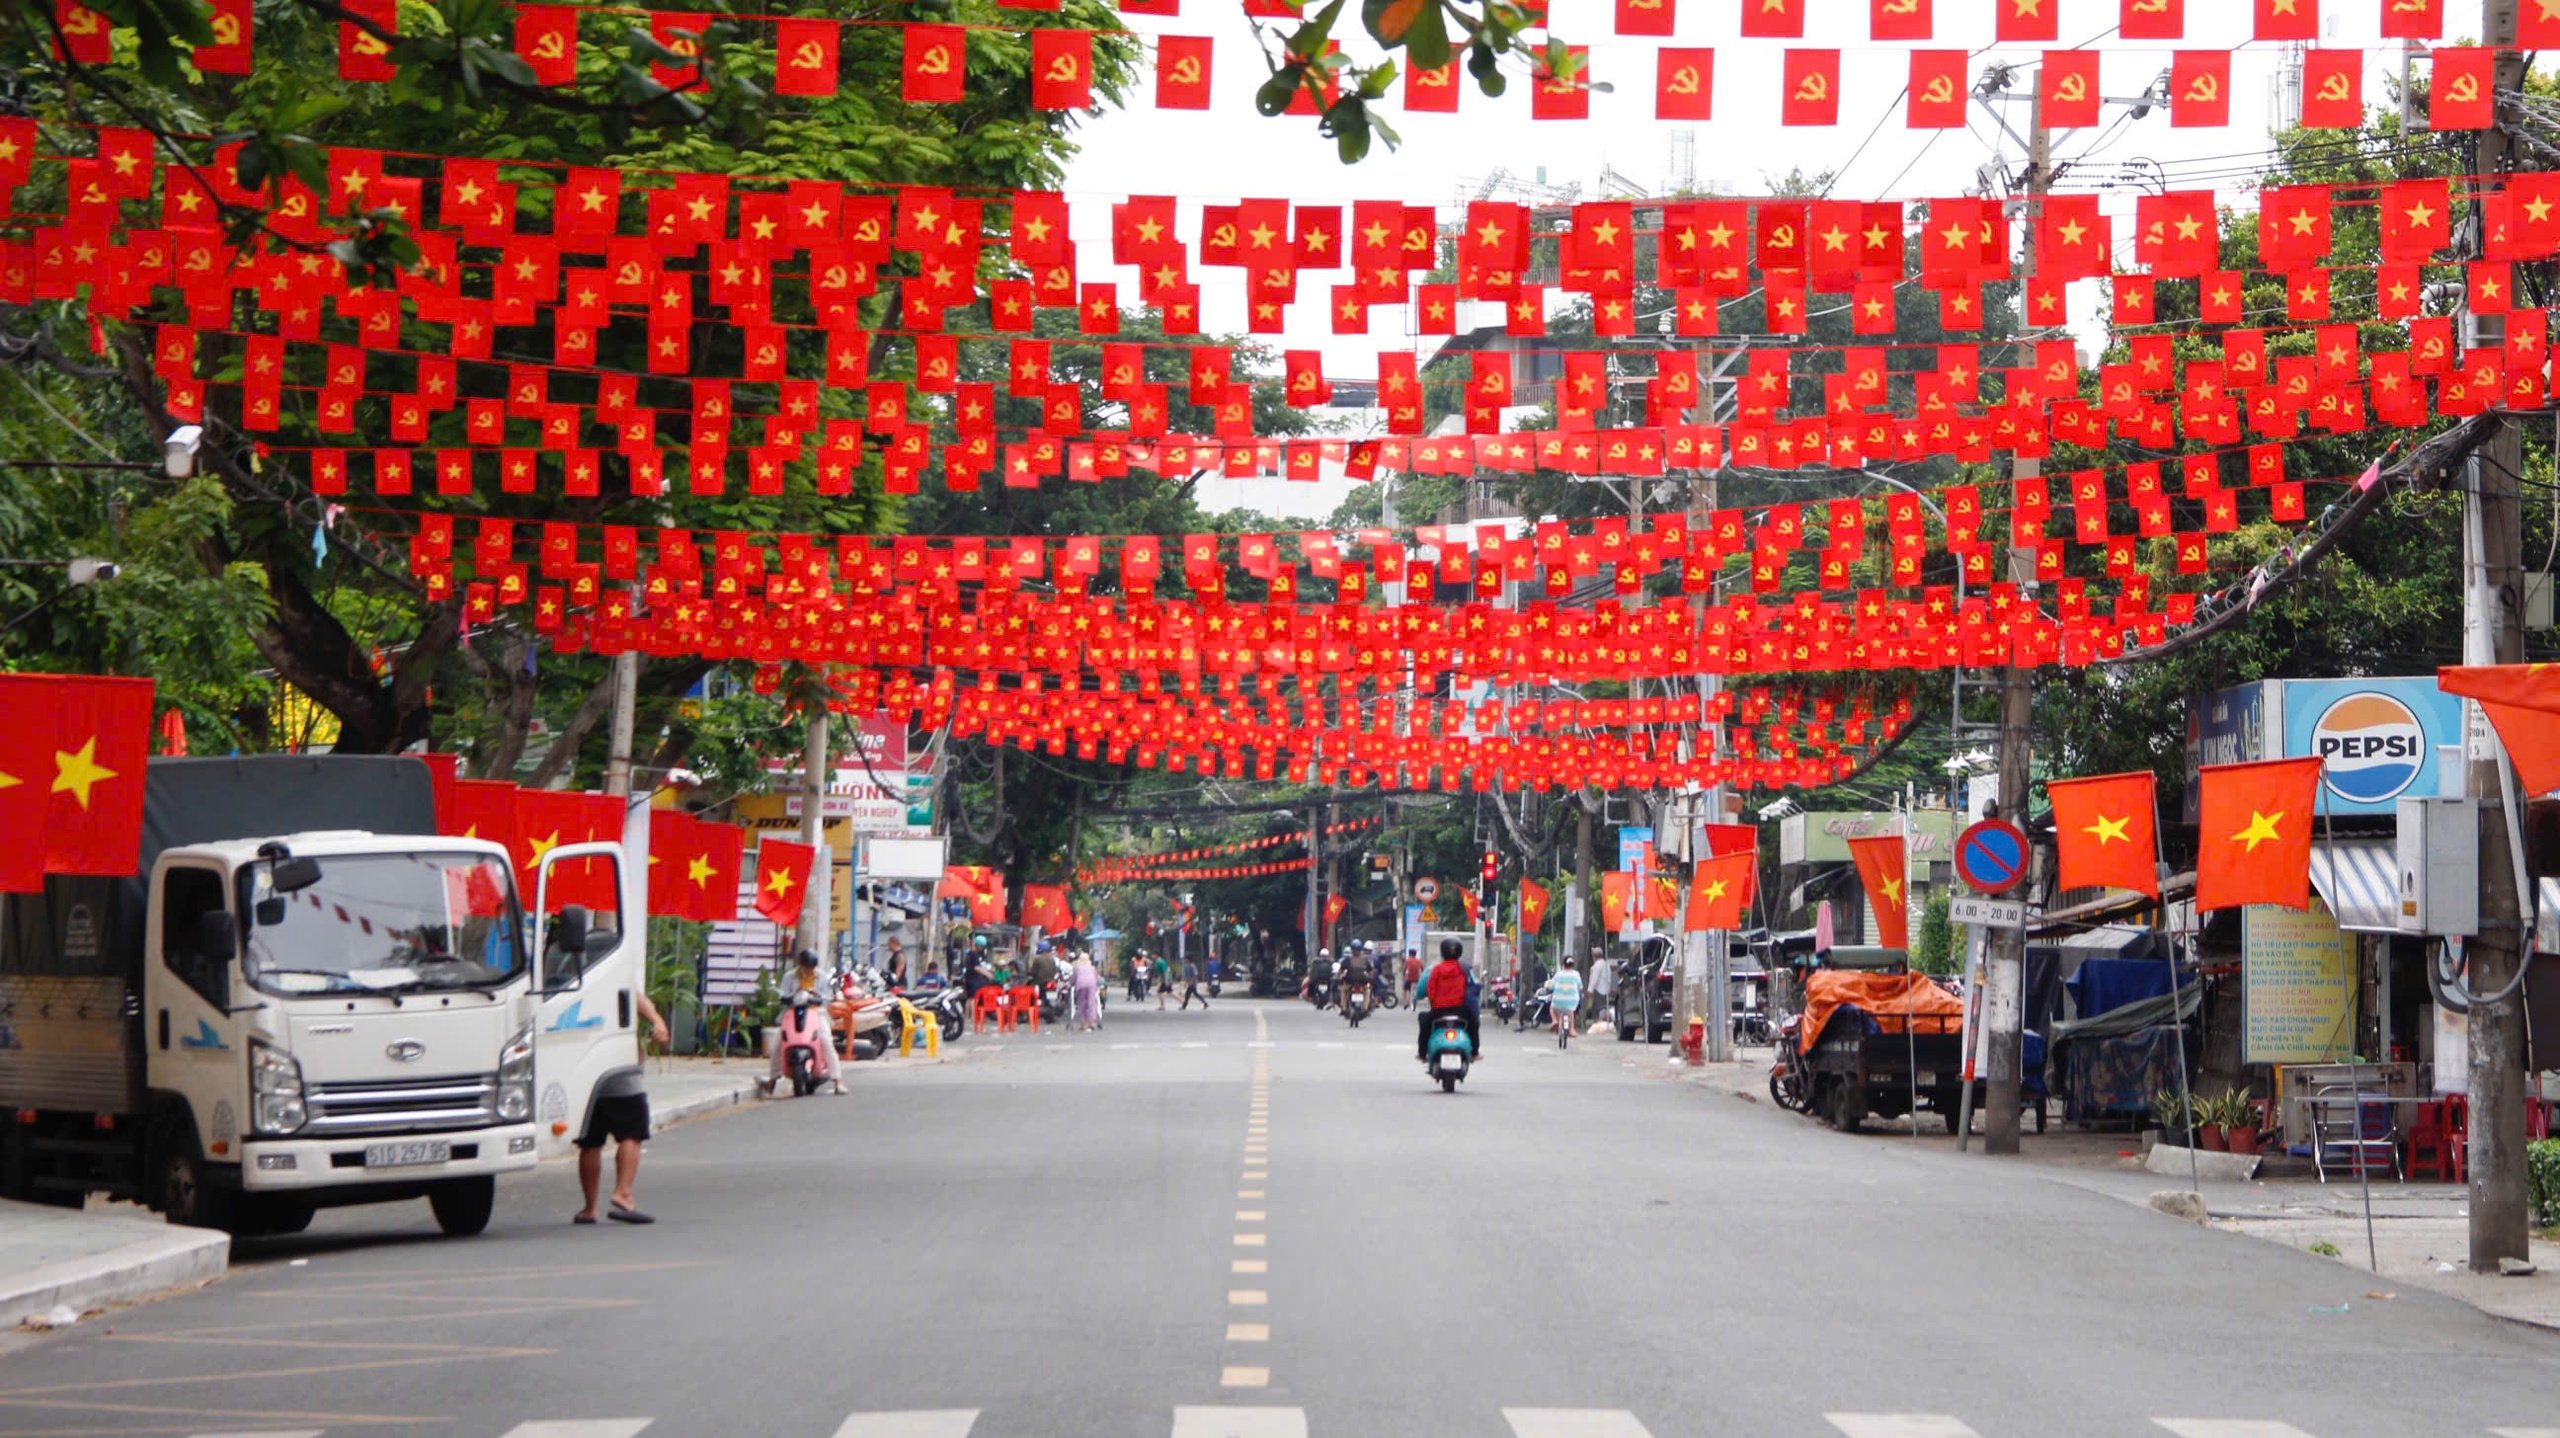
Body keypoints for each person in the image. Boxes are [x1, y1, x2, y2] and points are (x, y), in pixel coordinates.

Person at [574, 991, 672, 1225]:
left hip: (585, 1071)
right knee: (631, 1132)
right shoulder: (614, 972)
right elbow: (632, 994)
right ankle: (624, 1193)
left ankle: (590, 1208)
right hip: (619, 1070)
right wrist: (657, 1021)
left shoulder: (577, 981)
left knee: (590, 1141)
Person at [762, 951, 842, 1096]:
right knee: (778, 1046)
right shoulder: (790, 976)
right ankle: (772, 1081)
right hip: (792, 1012)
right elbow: (783, 994)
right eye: (806, 966)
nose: (808, 970)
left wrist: (816, 996)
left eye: (811, 967)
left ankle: (838, 1081)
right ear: (800, 965)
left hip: (816, 1013)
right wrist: (793, 994)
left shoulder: (822, 976)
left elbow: (828, 996)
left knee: (826, 1042)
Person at [1415, 938, 1478, 1062]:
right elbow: (1474, 988)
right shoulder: (1465, 969)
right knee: (1474, 1023)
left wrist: (1434, 1005)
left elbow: (1431, 990)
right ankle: (1475, 1052)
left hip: (1439, 1010)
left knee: (1424, 1021)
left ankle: (1422, 1054)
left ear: (1442, 952)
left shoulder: (1436, 969)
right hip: (1460, 1011)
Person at [1550, 957, 1584, 1036]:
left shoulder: (1558, 974)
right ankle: (1571, 1029)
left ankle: (1554, 1020)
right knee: (1571, 1011)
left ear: (1563, 964)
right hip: (1572, 1000)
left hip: (1558, 1000)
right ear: (1572, 965)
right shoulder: (1576, 974)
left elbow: (1551, 986)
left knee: (1552, 1008)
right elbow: (1580, 987)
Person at [1336, 943, 1373, 1013]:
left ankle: (1343, 1008)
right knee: (1367, 992)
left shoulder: (1347, 960)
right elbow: (1370, 972)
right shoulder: (1365, 960)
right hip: (1362, 981)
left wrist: (1338, 976)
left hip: (1350, 982)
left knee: (1343, 991)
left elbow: (1340, 971)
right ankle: (1365, 1008)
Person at [1071, 951, 1103, 1030]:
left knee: (1081, 1004)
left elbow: (1073, 980)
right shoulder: (1092, 968)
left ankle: (1083, 1024)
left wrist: (1071, 984)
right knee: (1091, 1003)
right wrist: (1099, 984)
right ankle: (1092, 1023)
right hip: (1091, 984)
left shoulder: (1077, 968)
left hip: (1080, 985)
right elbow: (1097, 979)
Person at [1587, 952, 1615, 1030]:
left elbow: (1594, 979)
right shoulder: (1607, 965)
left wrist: (1590, 989)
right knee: (1603, 1007)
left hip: (1598, 989)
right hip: (1605, 989)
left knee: (1597, 1008)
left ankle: (1597, 1023)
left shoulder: (1597, 966)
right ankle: (1604, 1024)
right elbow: (1609, 978)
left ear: (1595, 956)